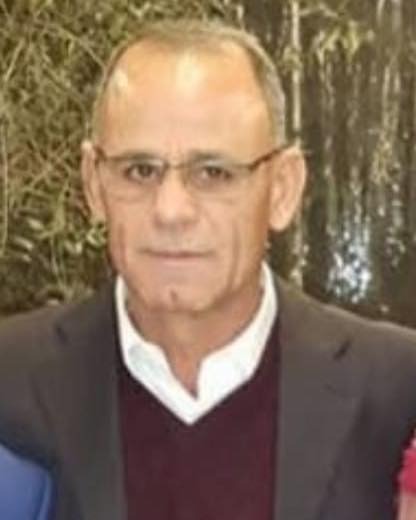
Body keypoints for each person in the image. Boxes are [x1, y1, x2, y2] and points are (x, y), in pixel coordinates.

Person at [0, 18, 416, 520]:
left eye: (213, 173)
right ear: (93, 183)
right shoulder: (11, 382)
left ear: (282, 189)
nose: (171, 211)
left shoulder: (397, 393)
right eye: (139, 170)